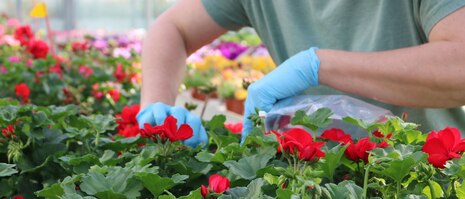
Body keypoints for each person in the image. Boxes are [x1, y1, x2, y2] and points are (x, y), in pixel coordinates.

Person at [137, 0, 465, 147]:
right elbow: (173, 28)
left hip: (424, 174)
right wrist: (155, 108)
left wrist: (318, 66)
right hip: (311, 172)